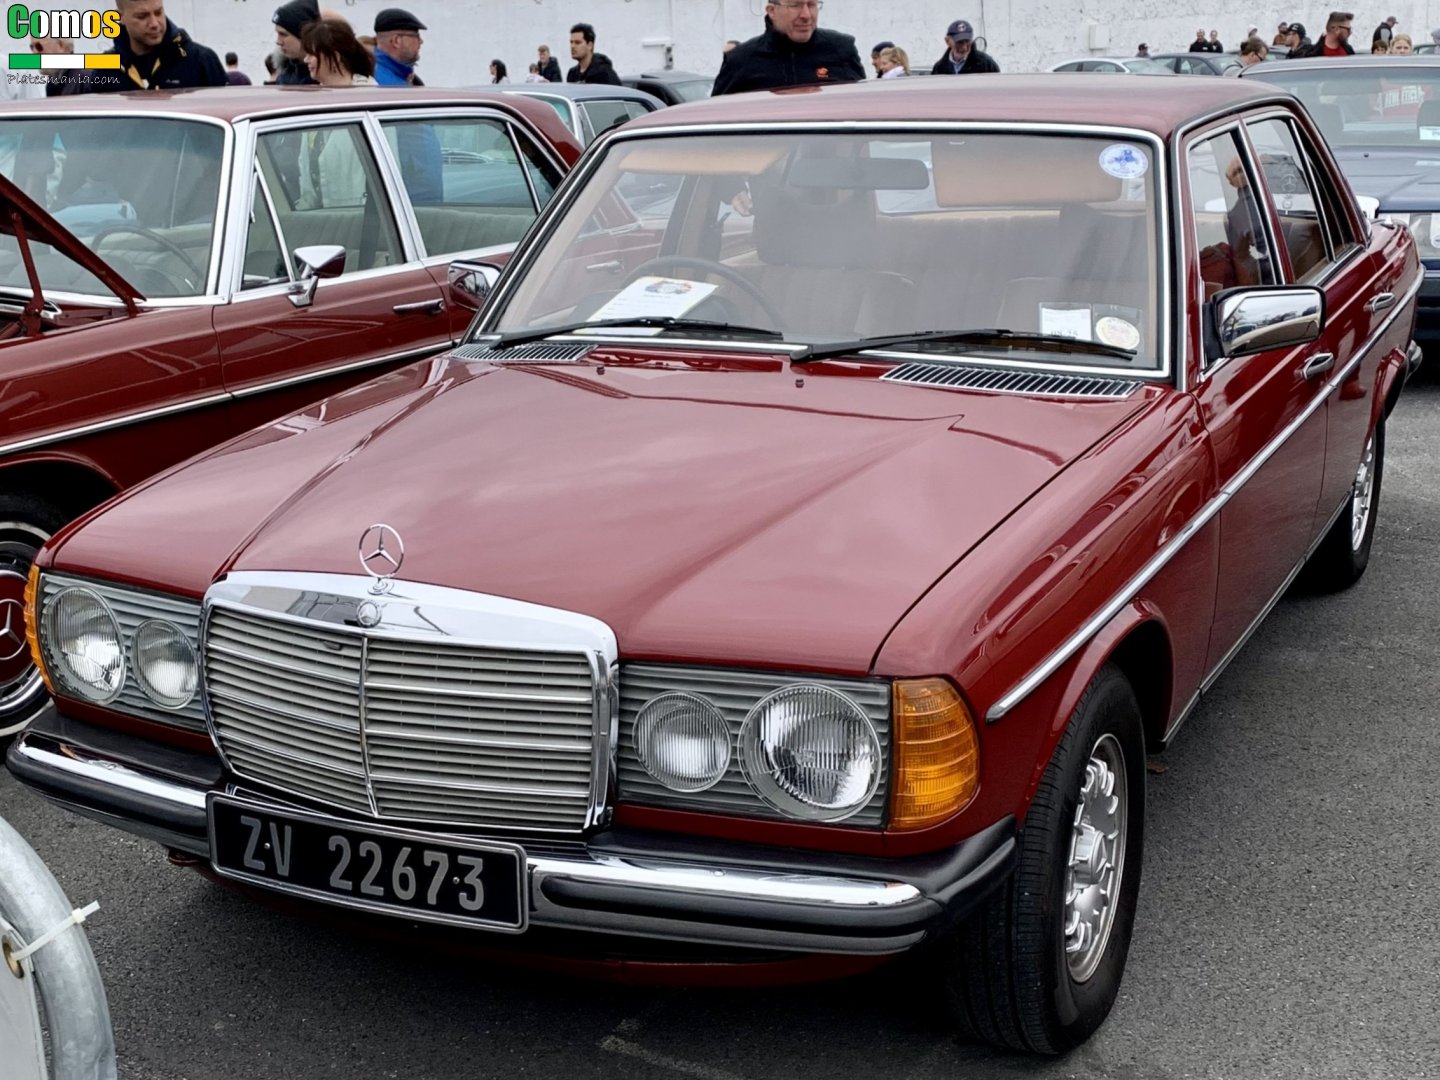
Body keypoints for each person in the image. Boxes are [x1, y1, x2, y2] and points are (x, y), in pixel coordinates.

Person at [713, 0, 864, 95]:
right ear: (772, 11)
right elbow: (717, 117)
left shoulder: (841, 49)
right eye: (795, 5)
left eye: (811, 5)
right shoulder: (742, 59)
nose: (806, 15)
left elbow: (861, 105)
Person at [81, 0, 226, 92]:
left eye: (158, 12)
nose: (154, 23)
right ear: (120, 17)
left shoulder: (201, 60)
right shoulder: (106, 68)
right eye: (142, 16)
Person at [301, 17, 373, 86]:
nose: (305, 60)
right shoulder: (314, 91)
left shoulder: (366, 89)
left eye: (312, 54)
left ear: (335, 57)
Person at [373, 7, 426, 85]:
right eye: (416, 36)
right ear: (396, 41)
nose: (421, 41)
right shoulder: (387, 84)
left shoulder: (374, 72)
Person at [272, 0, 318, 84]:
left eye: (283, 34)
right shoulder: (285, 73)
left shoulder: (323, 78)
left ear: (303, 35)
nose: (278, 42)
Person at [930, 19, 999, 74]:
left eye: (967, 41)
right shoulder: (939, 68)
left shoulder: (986, 64)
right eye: (959, 42)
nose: (964, 47)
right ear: (947, 41)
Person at [1289, 11, 1354, 58]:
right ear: (1337, 30)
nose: (1350, 32)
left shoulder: (1348, 50)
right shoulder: (1310, 55)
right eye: (1348, 29)